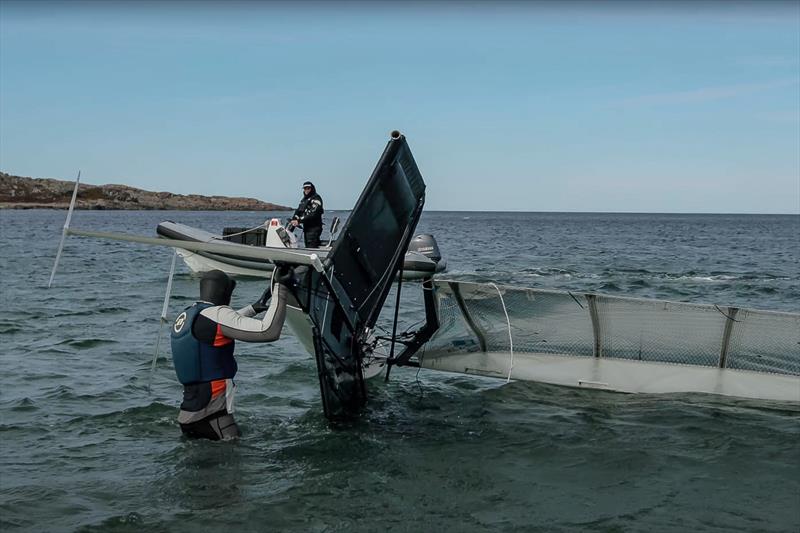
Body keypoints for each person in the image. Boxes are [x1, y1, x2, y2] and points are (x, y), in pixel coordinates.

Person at [170, 267, 293, 441]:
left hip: (188, 414)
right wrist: (281, 288)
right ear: (225, 293)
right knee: (233, 463)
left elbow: (217, 324)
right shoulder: (217, 314)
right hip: (214, 416)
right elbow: (269, 331)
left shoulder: (188, 315)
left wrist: (253, 308)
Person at [290, 180, 324, 248]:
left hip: (314, 228)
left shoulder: (316, 198)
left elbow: (313, 214)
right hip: (307, 228)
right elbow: (298, 210)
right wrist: (294, 219)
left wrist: (299, 220)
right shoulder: (304, 200)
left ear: (312, 189)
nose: (307, 190)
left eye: (308, 188)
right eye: (305, 188)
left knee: (311, 246)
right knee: (308, 245)